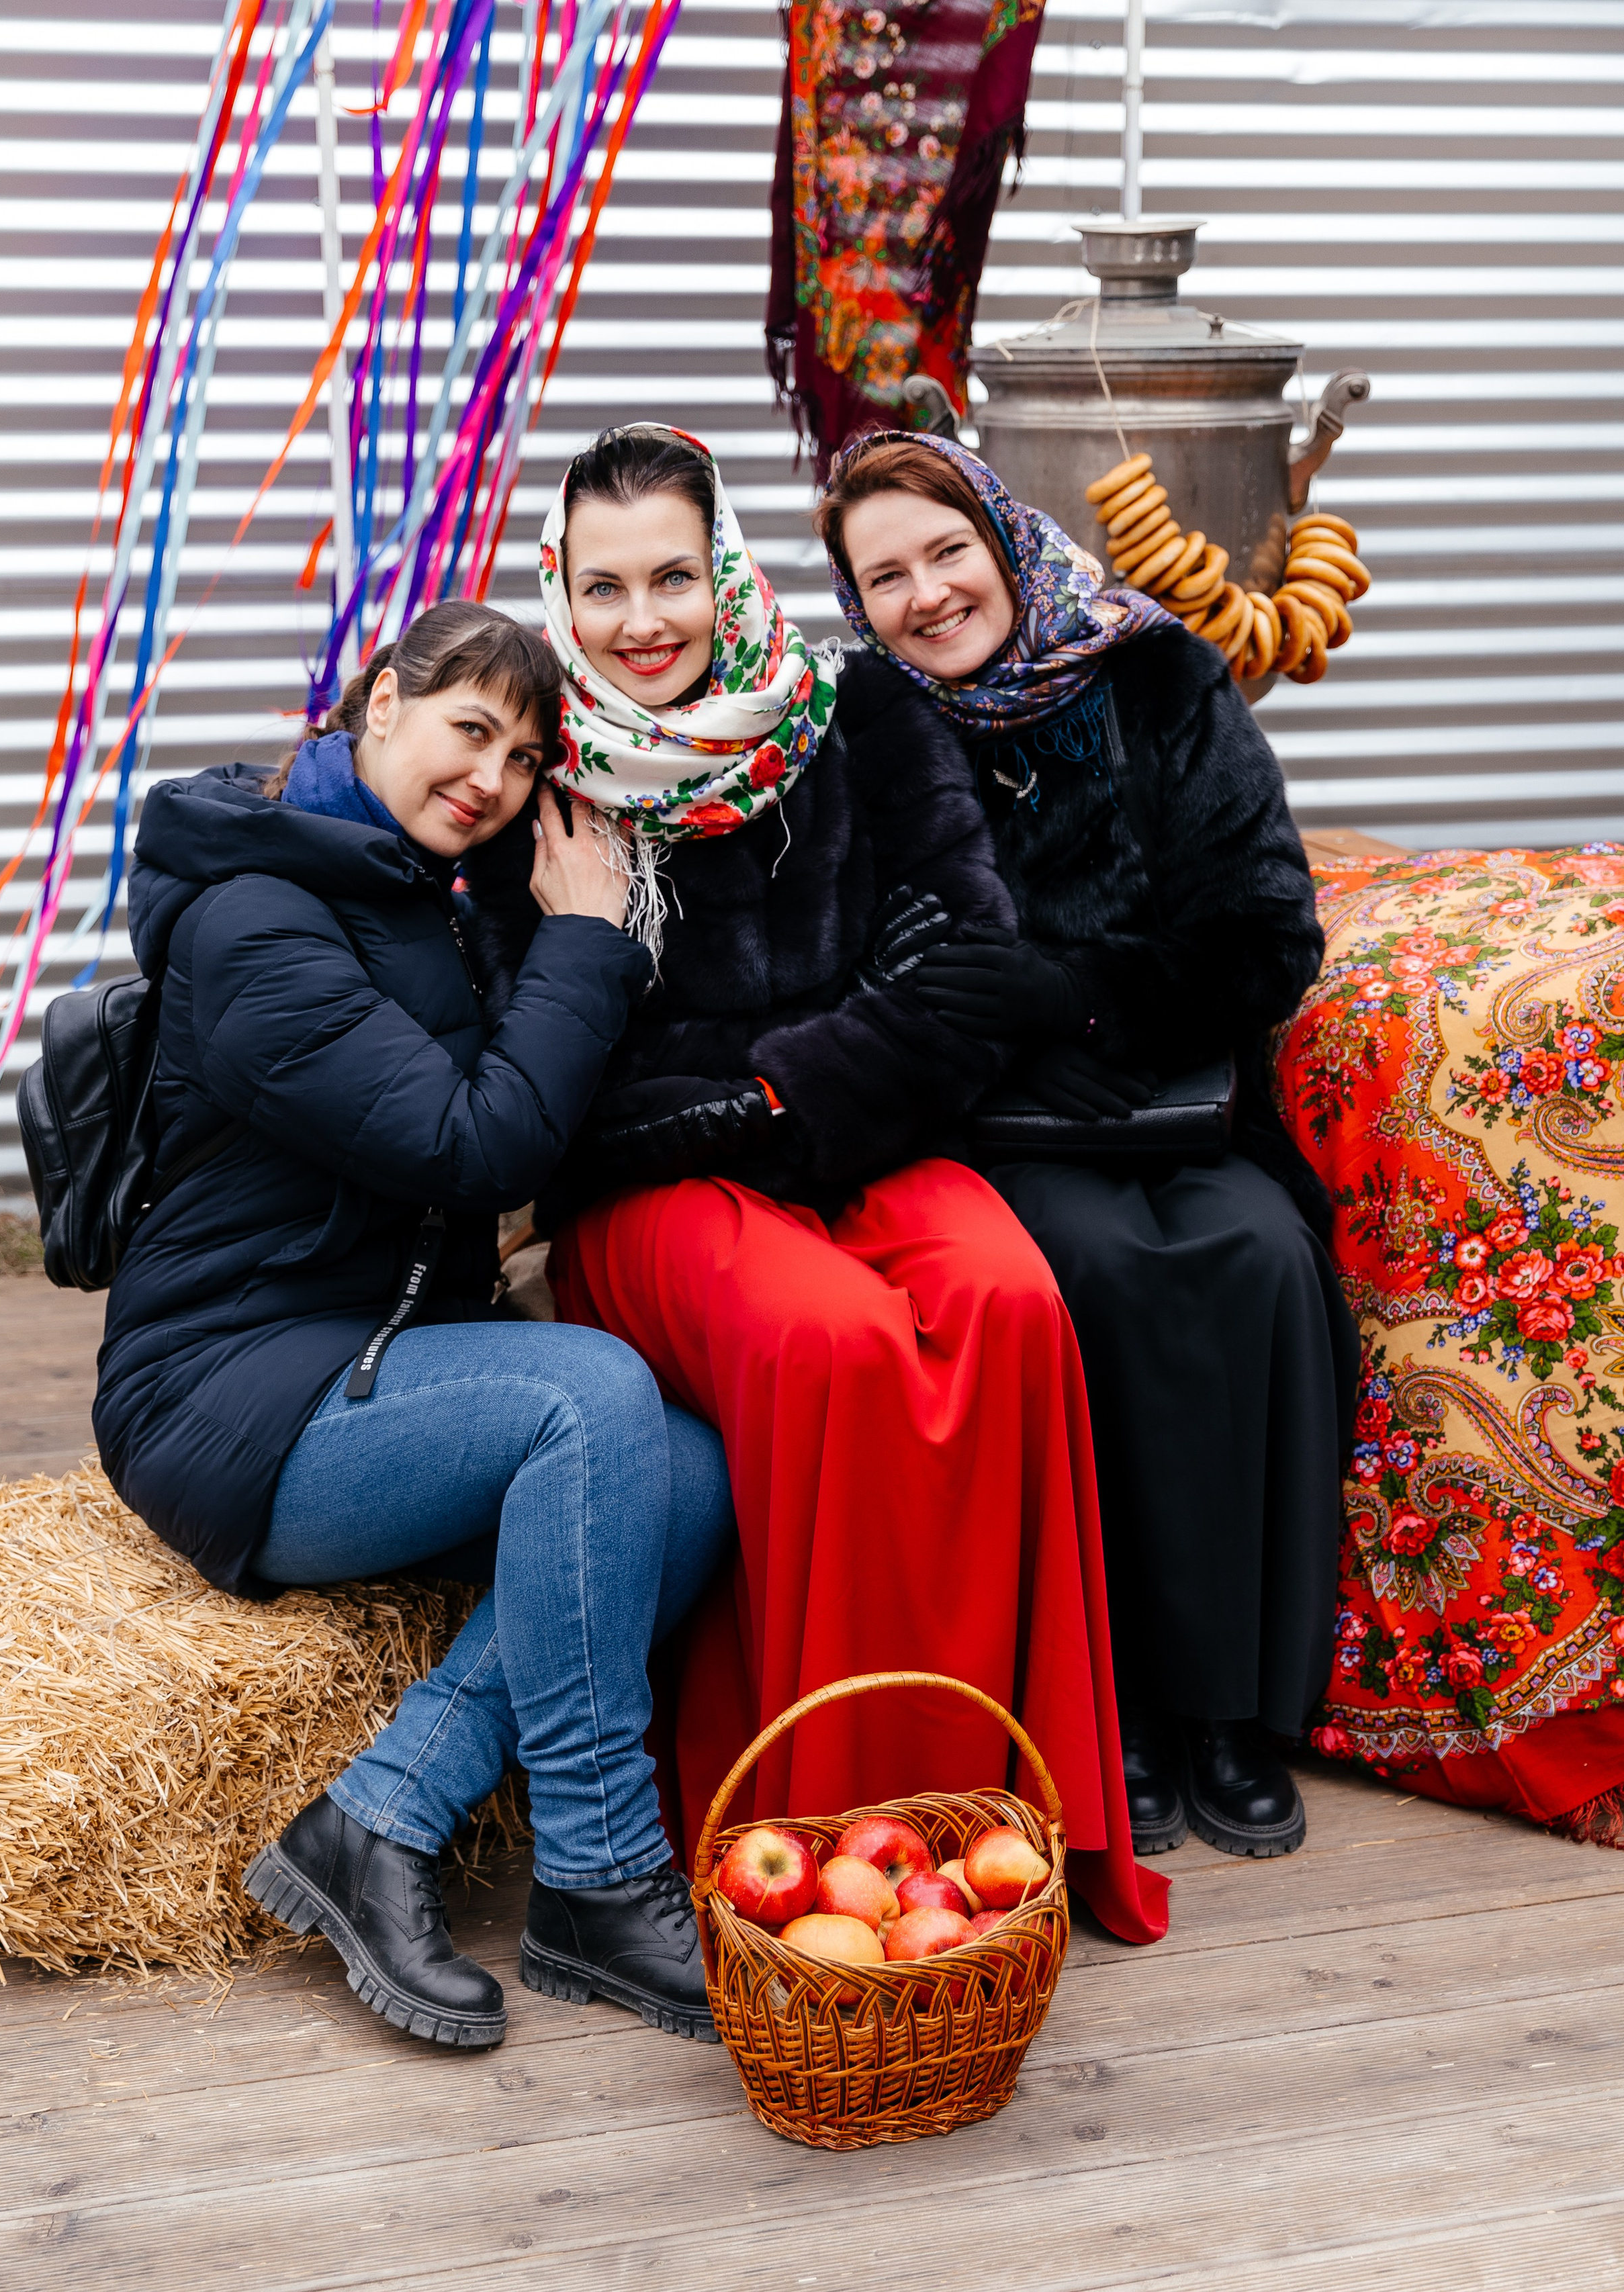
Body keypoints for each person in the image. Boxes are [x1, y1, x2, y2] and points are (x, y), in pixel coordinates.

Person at [464, 423, 1170, 1947]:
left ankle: (1008, 1820)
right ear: (558, 596)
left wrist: (778, 1090)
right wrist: (760, 1083)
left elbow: (967, 966)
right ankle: (833, 1842)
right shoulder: (540, 778)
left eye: (670, 576)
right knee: (830, 1347)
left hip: (854, 1140)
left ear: (726, 573)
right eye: (602, 588)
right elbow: (552, 1078)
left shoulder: (852, 716)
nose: (640, 621)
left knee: (1007, 1302)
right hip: (652, 1196)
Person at [93, 599, 736, 2050]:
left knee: (689, 1479)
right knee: (589, 1400)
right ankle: (599, 1875)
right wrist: (584, 941)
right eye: (469, 730)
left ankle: (379, 1818)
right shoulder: (258, 919)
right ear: (378, 703)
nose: (493, 780)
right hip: (233, 1397)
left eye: (522, 756)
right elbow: (474, 1146)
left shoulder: (403, 890)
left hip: (365, 1360)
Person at [815, 430, 1361, 1860]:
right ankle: (1105, 1703)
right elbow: (862, 962)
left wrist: (1081, 988)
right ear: (854, 602)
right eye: (885, 577)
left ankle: (1230, 1716)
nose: (927, 595)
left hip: (1166, 1088)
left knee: (1252, 1258)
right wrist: (993, 1016)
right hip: (986, 1121)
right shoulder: (861, 730)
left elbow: (1264, 932)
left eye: (946, 553)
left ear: (1003, 540)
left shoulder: (1161, 676)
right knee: (1095, 1273)